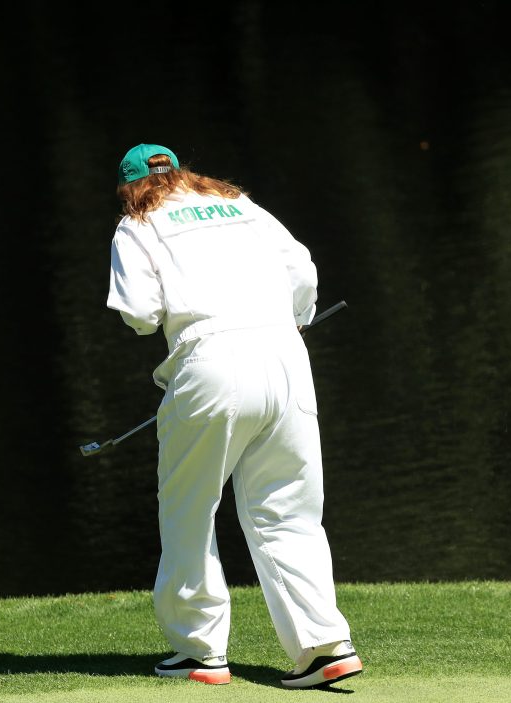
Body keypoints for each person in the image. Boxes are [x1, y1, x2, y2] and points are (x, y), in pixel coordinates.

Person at [106, 144, 362, 687]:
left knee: (190, 510)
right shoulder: (241, 205)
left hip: (210, 360)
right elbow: (303, 271)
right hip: (287, 356)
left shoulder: (138, 224)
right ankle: (323, 645)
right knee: (290, 510)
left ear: (131, 186)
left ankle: (201, 653)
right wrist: (294, 317)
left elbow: (140, 314)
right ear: (183, 173)